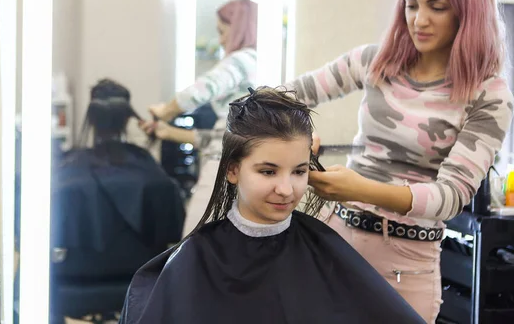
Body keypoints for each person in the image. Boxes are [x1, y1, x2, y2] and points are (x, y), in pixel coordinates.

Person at [285, 0, 514, 322]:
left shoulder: (488, 94)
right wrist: (296, 133)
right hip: (333, 242)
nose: (418, 20)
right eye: (411, 5)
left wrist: (357, 189)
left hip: (405, 266)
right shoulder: (375, 61)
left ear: (467, 11)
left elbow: (450, 196)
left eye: (436, 7)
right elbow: (284, 97)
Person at [120, 87, 424, 324]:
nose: (286, 189)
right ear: (233, 170)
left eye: (299, 171)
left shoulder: (325, 251)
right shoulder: (195, 260)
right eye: (268, 171)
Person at [50, 79, 186, 320]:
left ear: (91, 118)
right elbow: (174, 232)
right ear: (126, 118)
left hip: (75, 280)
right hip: (141, 281)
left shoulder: (68, 172)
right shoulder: (151, 172)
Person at [141, 0, 258, 235]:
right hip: (231, 164)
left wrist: (166, 110)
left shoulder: (243, 59)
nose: (222, 40)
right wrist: (167, 132)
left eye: (223, 32)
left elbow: (201, 90)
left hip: (223, 168)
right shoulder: (252, 69)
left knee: (193, 244)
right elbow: (219, 138)